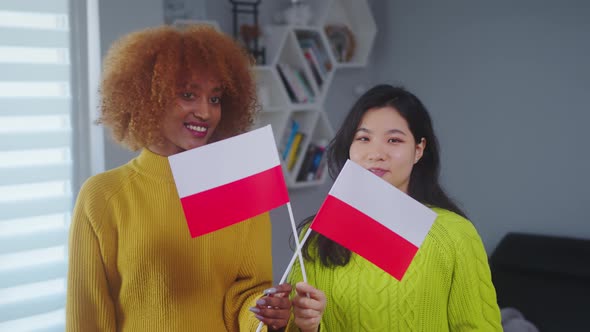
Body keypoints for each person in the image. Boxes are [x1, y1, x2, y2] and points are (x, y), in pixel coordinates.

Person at [66, 24, 291, 331]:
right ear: (148, 97)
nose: (205, 112)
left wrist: (267, 316)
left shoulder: (239, 185)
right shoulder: (103, 196)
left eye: (215, 99)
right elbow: (87, 316)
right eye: (188, 95)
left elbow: (248, 295)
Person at [287, 84, 502, 331]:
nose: (376, 153)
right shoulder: (317, 235)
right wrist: (307, 326)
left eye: (394, 140)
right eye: (363, 138)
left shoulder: (454, 234)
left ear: (419, 150)